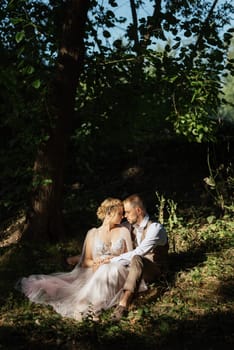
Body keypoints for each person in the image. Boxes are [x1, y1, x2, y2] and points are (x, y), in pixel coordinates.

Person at [16, 198, 133, 321]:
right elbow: (85, 261)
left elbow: (130, 256)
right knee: (97, 273)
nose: (123, 216)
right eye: (120, 213)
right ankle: (87, 306)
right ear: (109, 213)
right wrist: (96, 262)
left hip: (118, 270)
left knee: (109, 268)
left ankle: (94, 308)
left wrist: (113, 260)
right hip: (96, 271)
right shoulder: (93, 233)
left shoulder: (124, 231)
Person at [110, 194, 169, 321]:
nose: (125, 216)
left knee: (136, 258)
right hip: (134, 268)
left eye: (127, 212)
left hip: (154, 269)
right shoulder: (131, 226)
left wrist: (111, 260)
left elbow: (141, 252)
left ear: (138, 210)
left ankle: (123, 304)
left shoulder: (155, 228)